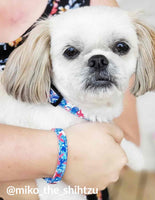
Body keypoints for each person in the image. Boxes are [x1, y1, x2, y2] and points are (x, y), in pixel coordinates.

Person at [0, 0, 140, 199]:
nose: (98, 62)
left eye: (120, 47)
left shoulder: (98, 7)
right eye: (71, 52)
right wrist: (62, 154)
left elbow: (122, 152)